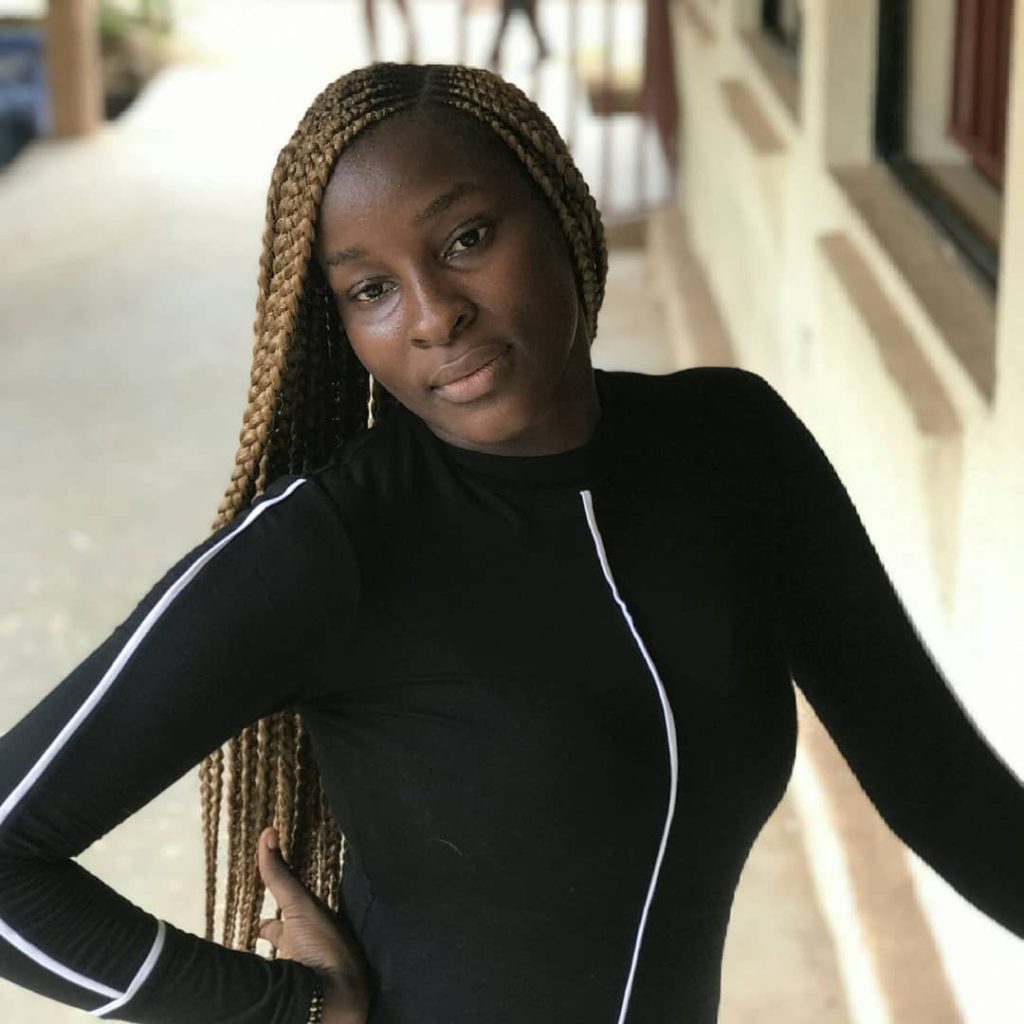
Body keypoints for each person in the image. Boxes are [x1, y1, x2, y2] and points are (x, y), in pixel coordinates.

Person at [0, 61, 1021, 1024]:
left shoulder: (731, 448)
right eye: (371, 289)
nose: (434, 315)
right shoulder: (334, 545)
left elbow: (940, 784)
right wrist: (284, 1007)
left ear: (561, 209)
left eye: (466, 238)